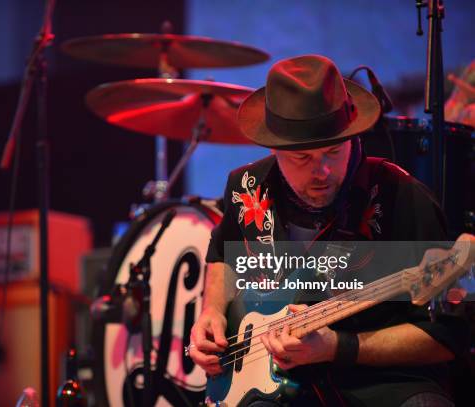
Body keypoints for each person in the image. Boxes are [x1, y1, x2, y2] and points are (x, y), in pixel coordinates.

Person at [188, 55, 469, 406]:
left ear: (353, 137)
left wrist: (340, 347)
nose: (321, 171)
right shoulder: (246, 186)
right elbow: (222, 256)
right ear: (275, 149)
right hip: (269, 386)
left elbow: (446, 338)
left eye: (333, 151)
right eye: (302, 159)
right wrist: (211, 312)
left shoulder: (403, 197)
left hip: (382, 383)